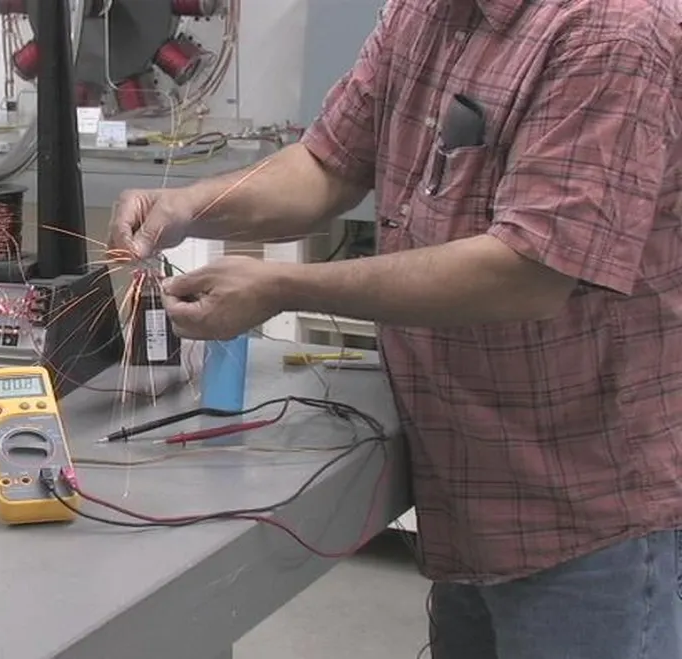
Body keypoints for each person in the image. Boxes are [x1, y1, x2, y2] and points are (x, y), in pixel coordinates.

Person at [109, 1, 682, 657]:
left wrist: (282, 286)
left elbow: (529, 271)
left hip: (583, 510)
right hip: (469, 489)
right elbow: (328, 163)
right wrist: (188, 206)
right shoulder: (426, 12)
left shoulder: (615, 31)